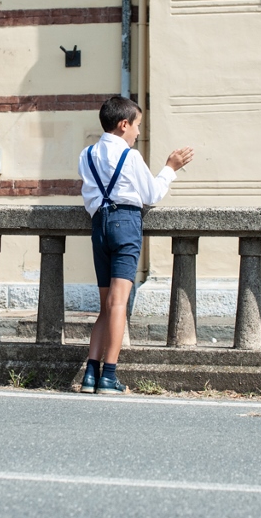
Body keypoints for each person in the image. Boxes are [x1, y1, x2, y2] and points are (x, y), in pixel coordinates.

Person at [78, 96, 193, 394]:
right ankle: (109, 376)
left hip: (99, 226)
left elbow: (89, 195)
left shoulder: (86, 155)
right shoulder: (130, 157)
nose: (139, 133)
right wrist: (170, 168)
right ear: (123, 124)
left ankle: (90, 374)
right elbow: (151, 194)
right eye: (137, 126)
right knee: (118, 304)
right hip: (125, 223)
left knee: (105, 305)